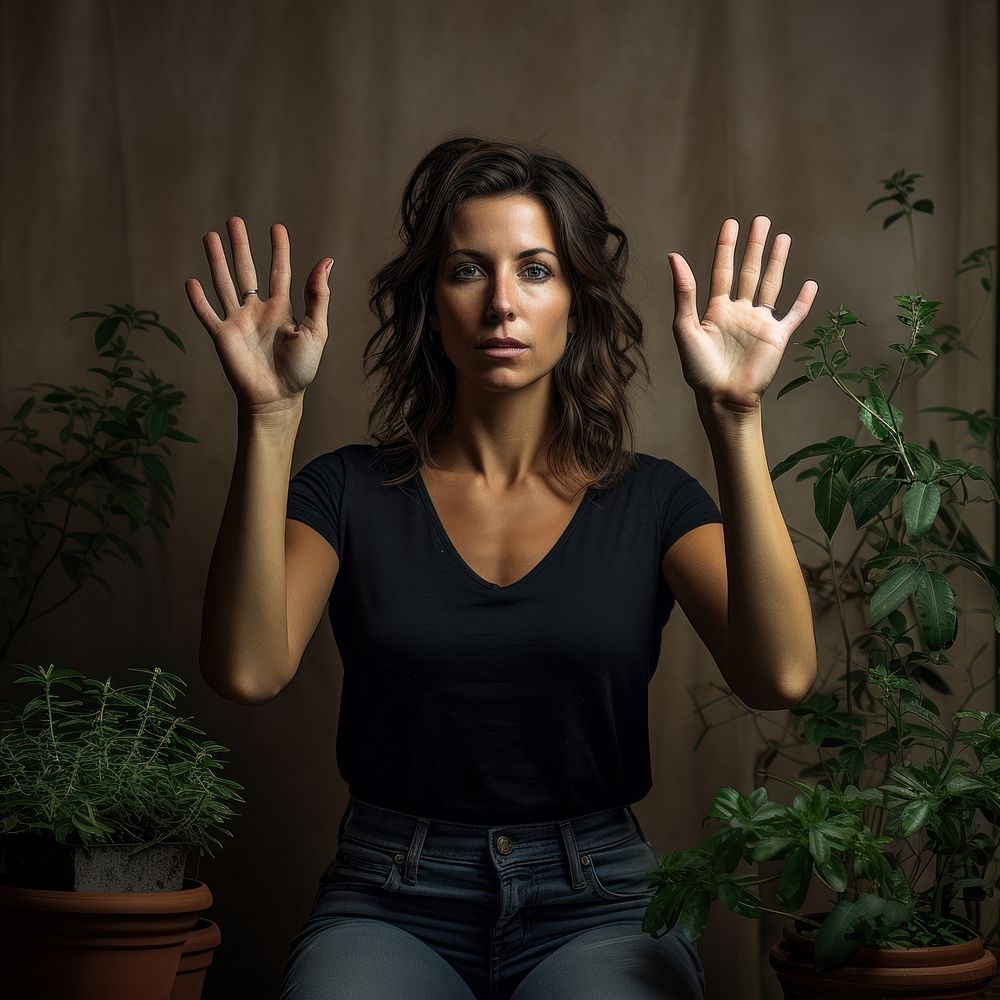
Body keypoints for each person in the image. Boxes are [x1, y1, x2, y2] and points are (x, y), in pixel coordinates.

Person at [186, 133, 818, 1000]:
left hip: (599, 898)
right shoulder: (347, 490)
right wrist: (270, 418)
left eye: (536, 269)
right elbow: (248, 670)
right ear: (430, 302)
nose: (501, 306)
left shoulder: (653, 502)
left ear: (577, 301)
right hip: (389, 896)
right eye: (467, 271)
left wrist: (734, 415)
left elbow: (779, 674)